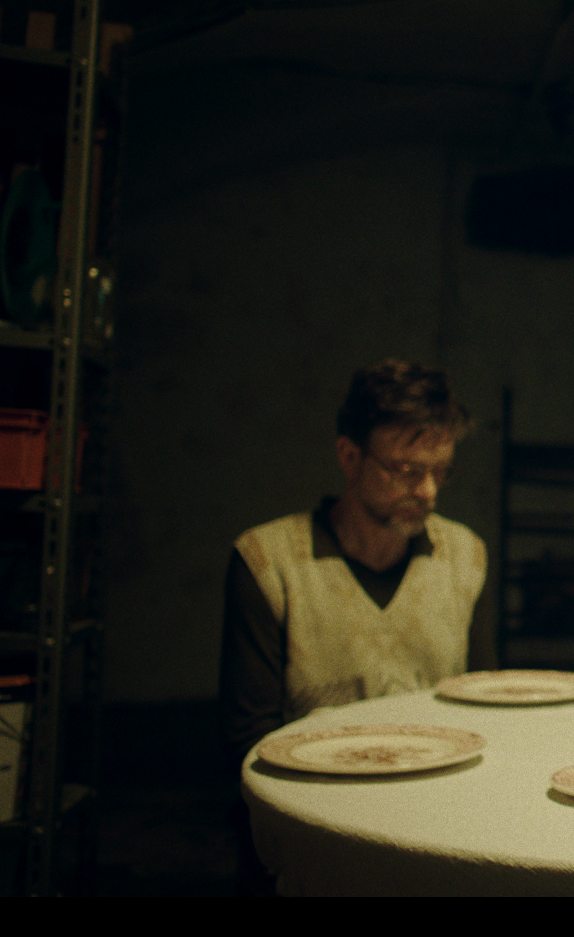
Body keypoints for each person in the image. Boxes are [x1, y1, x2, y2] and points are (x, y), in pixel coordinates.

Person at [220, 359, 493, 895]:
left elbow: (483, 710)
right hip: (315, 825)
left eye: (441, 471)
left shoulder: (463, 556)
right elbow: (247, 742)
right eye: (407, 470)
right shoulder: (270, 561)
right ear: (349, 456)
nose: (428, 492)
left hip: (434, 820)